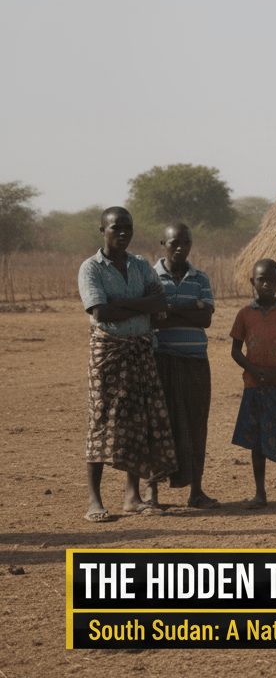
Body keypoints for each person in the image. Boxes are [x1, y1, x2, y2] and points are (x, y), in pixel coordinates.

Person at [78, 207, 176, 521]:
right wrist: (140, 307)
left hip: (141, 350)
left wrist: (121, 302)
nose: (123, 233)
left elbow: (160, 304)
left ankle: (132, 497)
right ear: (102, 231)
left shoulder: (140, 265)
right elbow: (101, 313)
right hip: (108, 352)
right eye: (115, 228)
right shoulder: (90, 268)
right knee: (102, 420)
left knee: (137, 421)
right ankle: (95, 500)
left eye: (128, 228)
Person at [146, 221, 218, 510]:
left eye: (185, 243)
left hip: (196, 363)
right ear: (162, 244)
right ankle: (152, 495)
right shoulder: (149, 278)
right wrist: (191, 309)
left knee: (197, 425)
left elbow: (206, 320)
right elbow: (152, 318)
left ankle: (196, 492)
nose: (180, 248)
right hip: (161, 361)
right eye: (174, 242)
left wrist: (171, 311)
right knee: (159, 427)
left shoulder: (200, 278)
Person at [231, 259, 276, 510]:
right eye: (261, 279)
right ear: (253, 281)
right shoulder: (244, 314)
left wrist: (275, 371)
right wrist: (255, 370)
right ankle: (260, 494)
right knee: (257, 440)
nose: (266, 284)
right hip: (254, 385)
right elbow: (235, 350)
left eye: (271, 280)